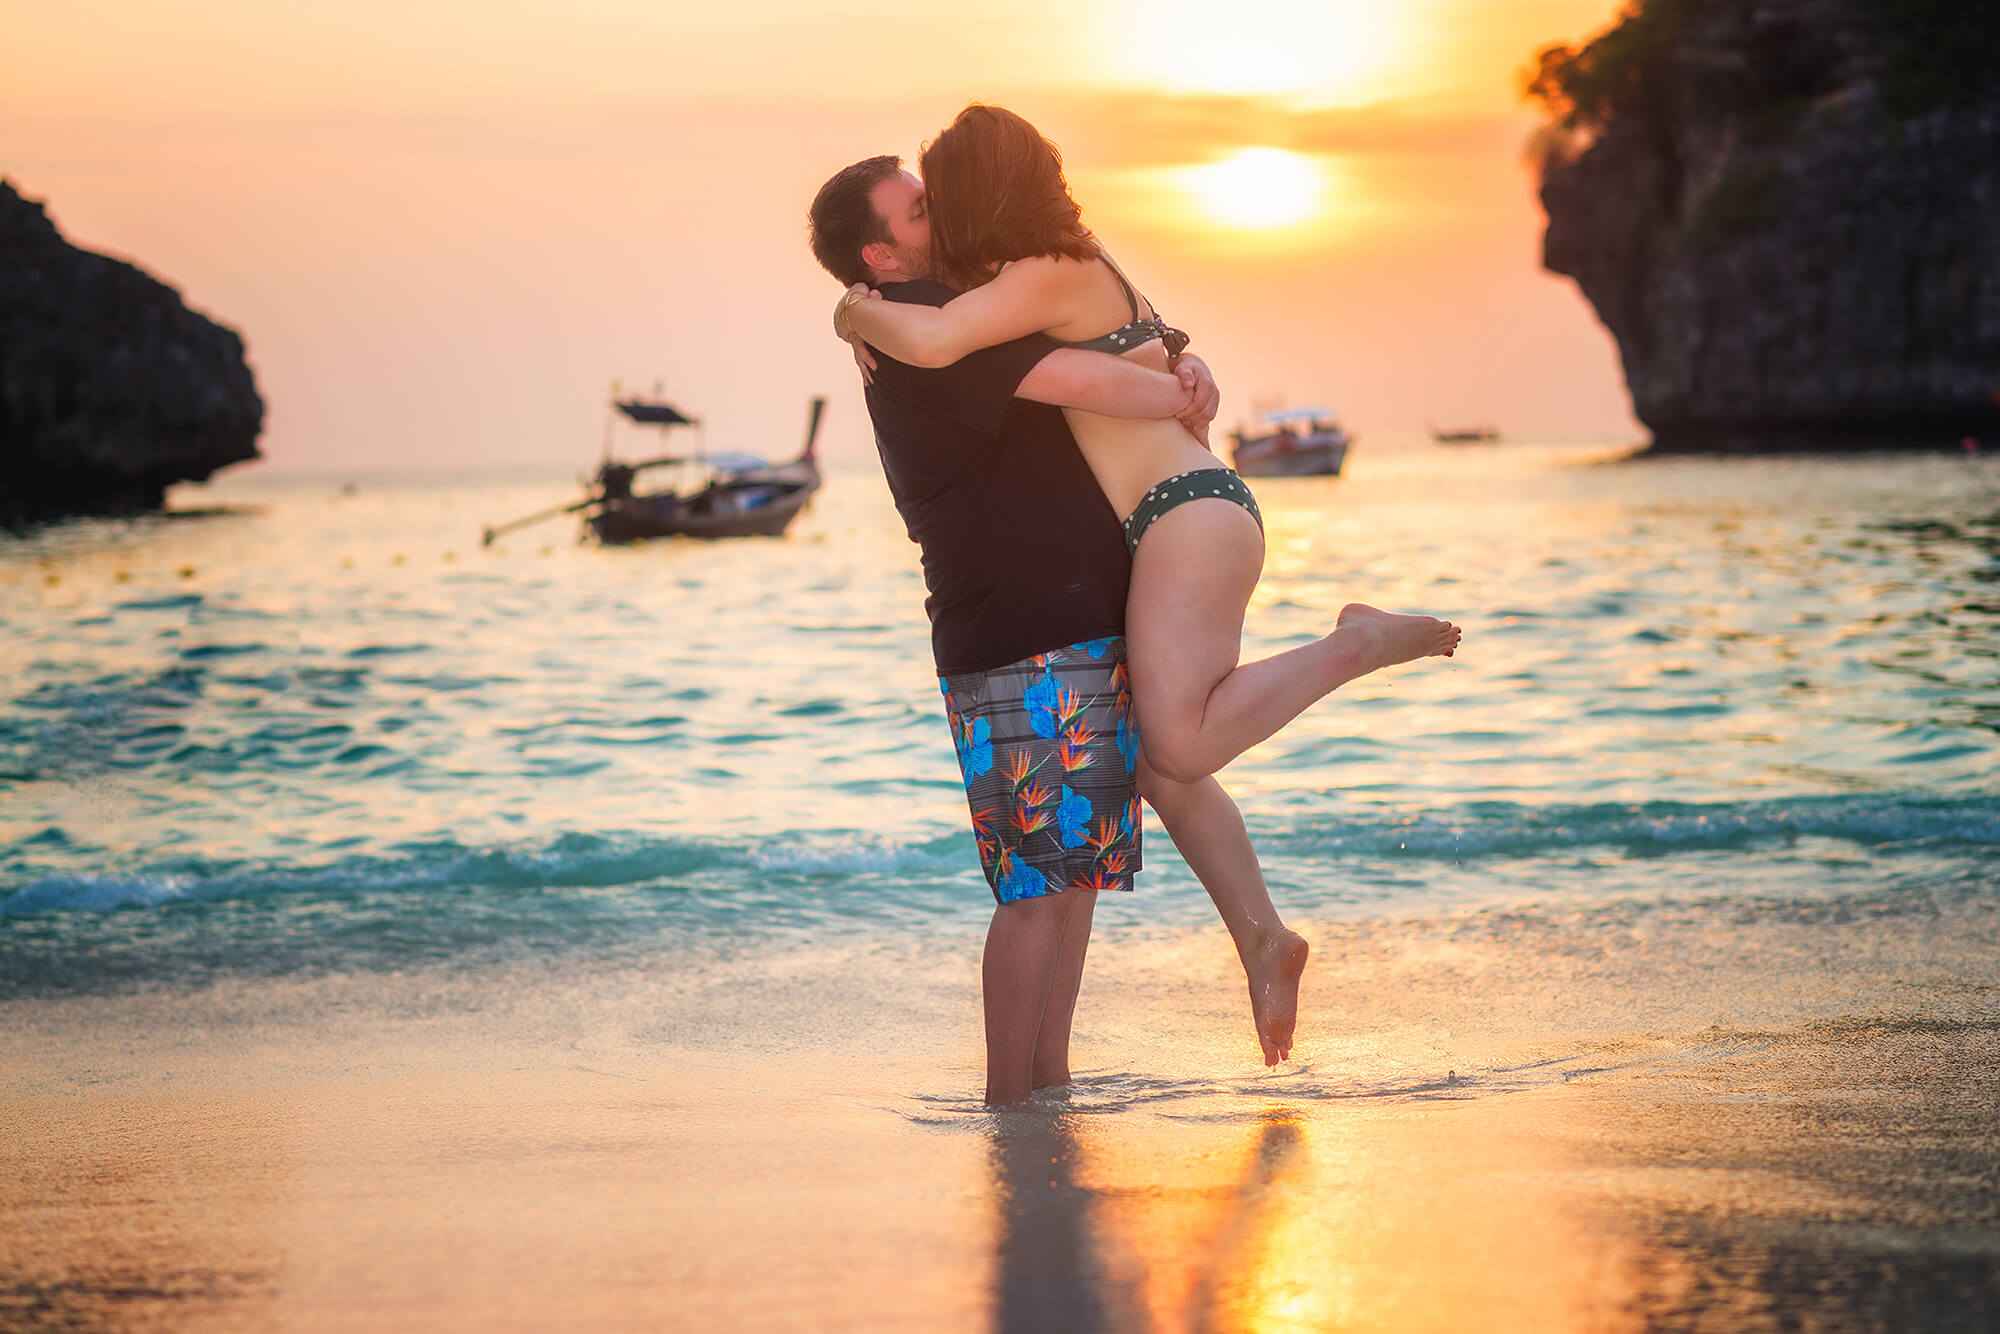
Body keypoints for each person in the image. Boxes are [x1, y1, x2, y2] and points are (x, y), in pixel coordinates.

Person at [809, 154, 1312, 1102]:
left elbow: (1108, 345)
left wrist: (1174, 353)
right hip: (1019, 635)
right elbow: (1103, 383)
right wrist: (1176, 386)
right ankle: (1011, 1102)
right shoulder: (928, 334)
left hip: (1065, 625)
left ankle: (1046, 1095)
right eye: (922, 207)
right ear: (882, 252)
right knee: (1039, 895)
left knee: (1068, 887)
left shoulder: (947, 315)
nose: (944, 207)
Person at [835, 105, 1461, 791]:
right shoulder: (1046, 264)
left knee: (1182, 751)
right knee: (1169, 776)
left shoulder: (1041, 269)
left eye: (942, 197)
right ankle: (1254, 909)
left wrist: (853, 311)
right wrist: (1183, 363)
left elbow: (935, 339)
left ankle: (1357, 645)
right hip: (1177, 512)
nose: (943, 215)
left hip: (1183, 510)